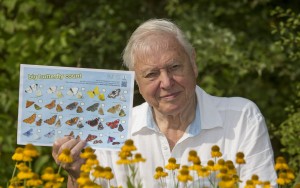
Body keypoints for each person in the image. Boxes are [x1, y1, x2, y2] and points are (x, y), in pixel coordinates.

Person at [52, 18, 277, 187]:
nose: (167, 82)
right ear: (137, 82)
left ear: (193, 64)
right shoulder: (114, 128)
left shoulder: (241, 117)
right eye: (151, 74)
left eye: (175, 67)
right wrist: (77, 174)